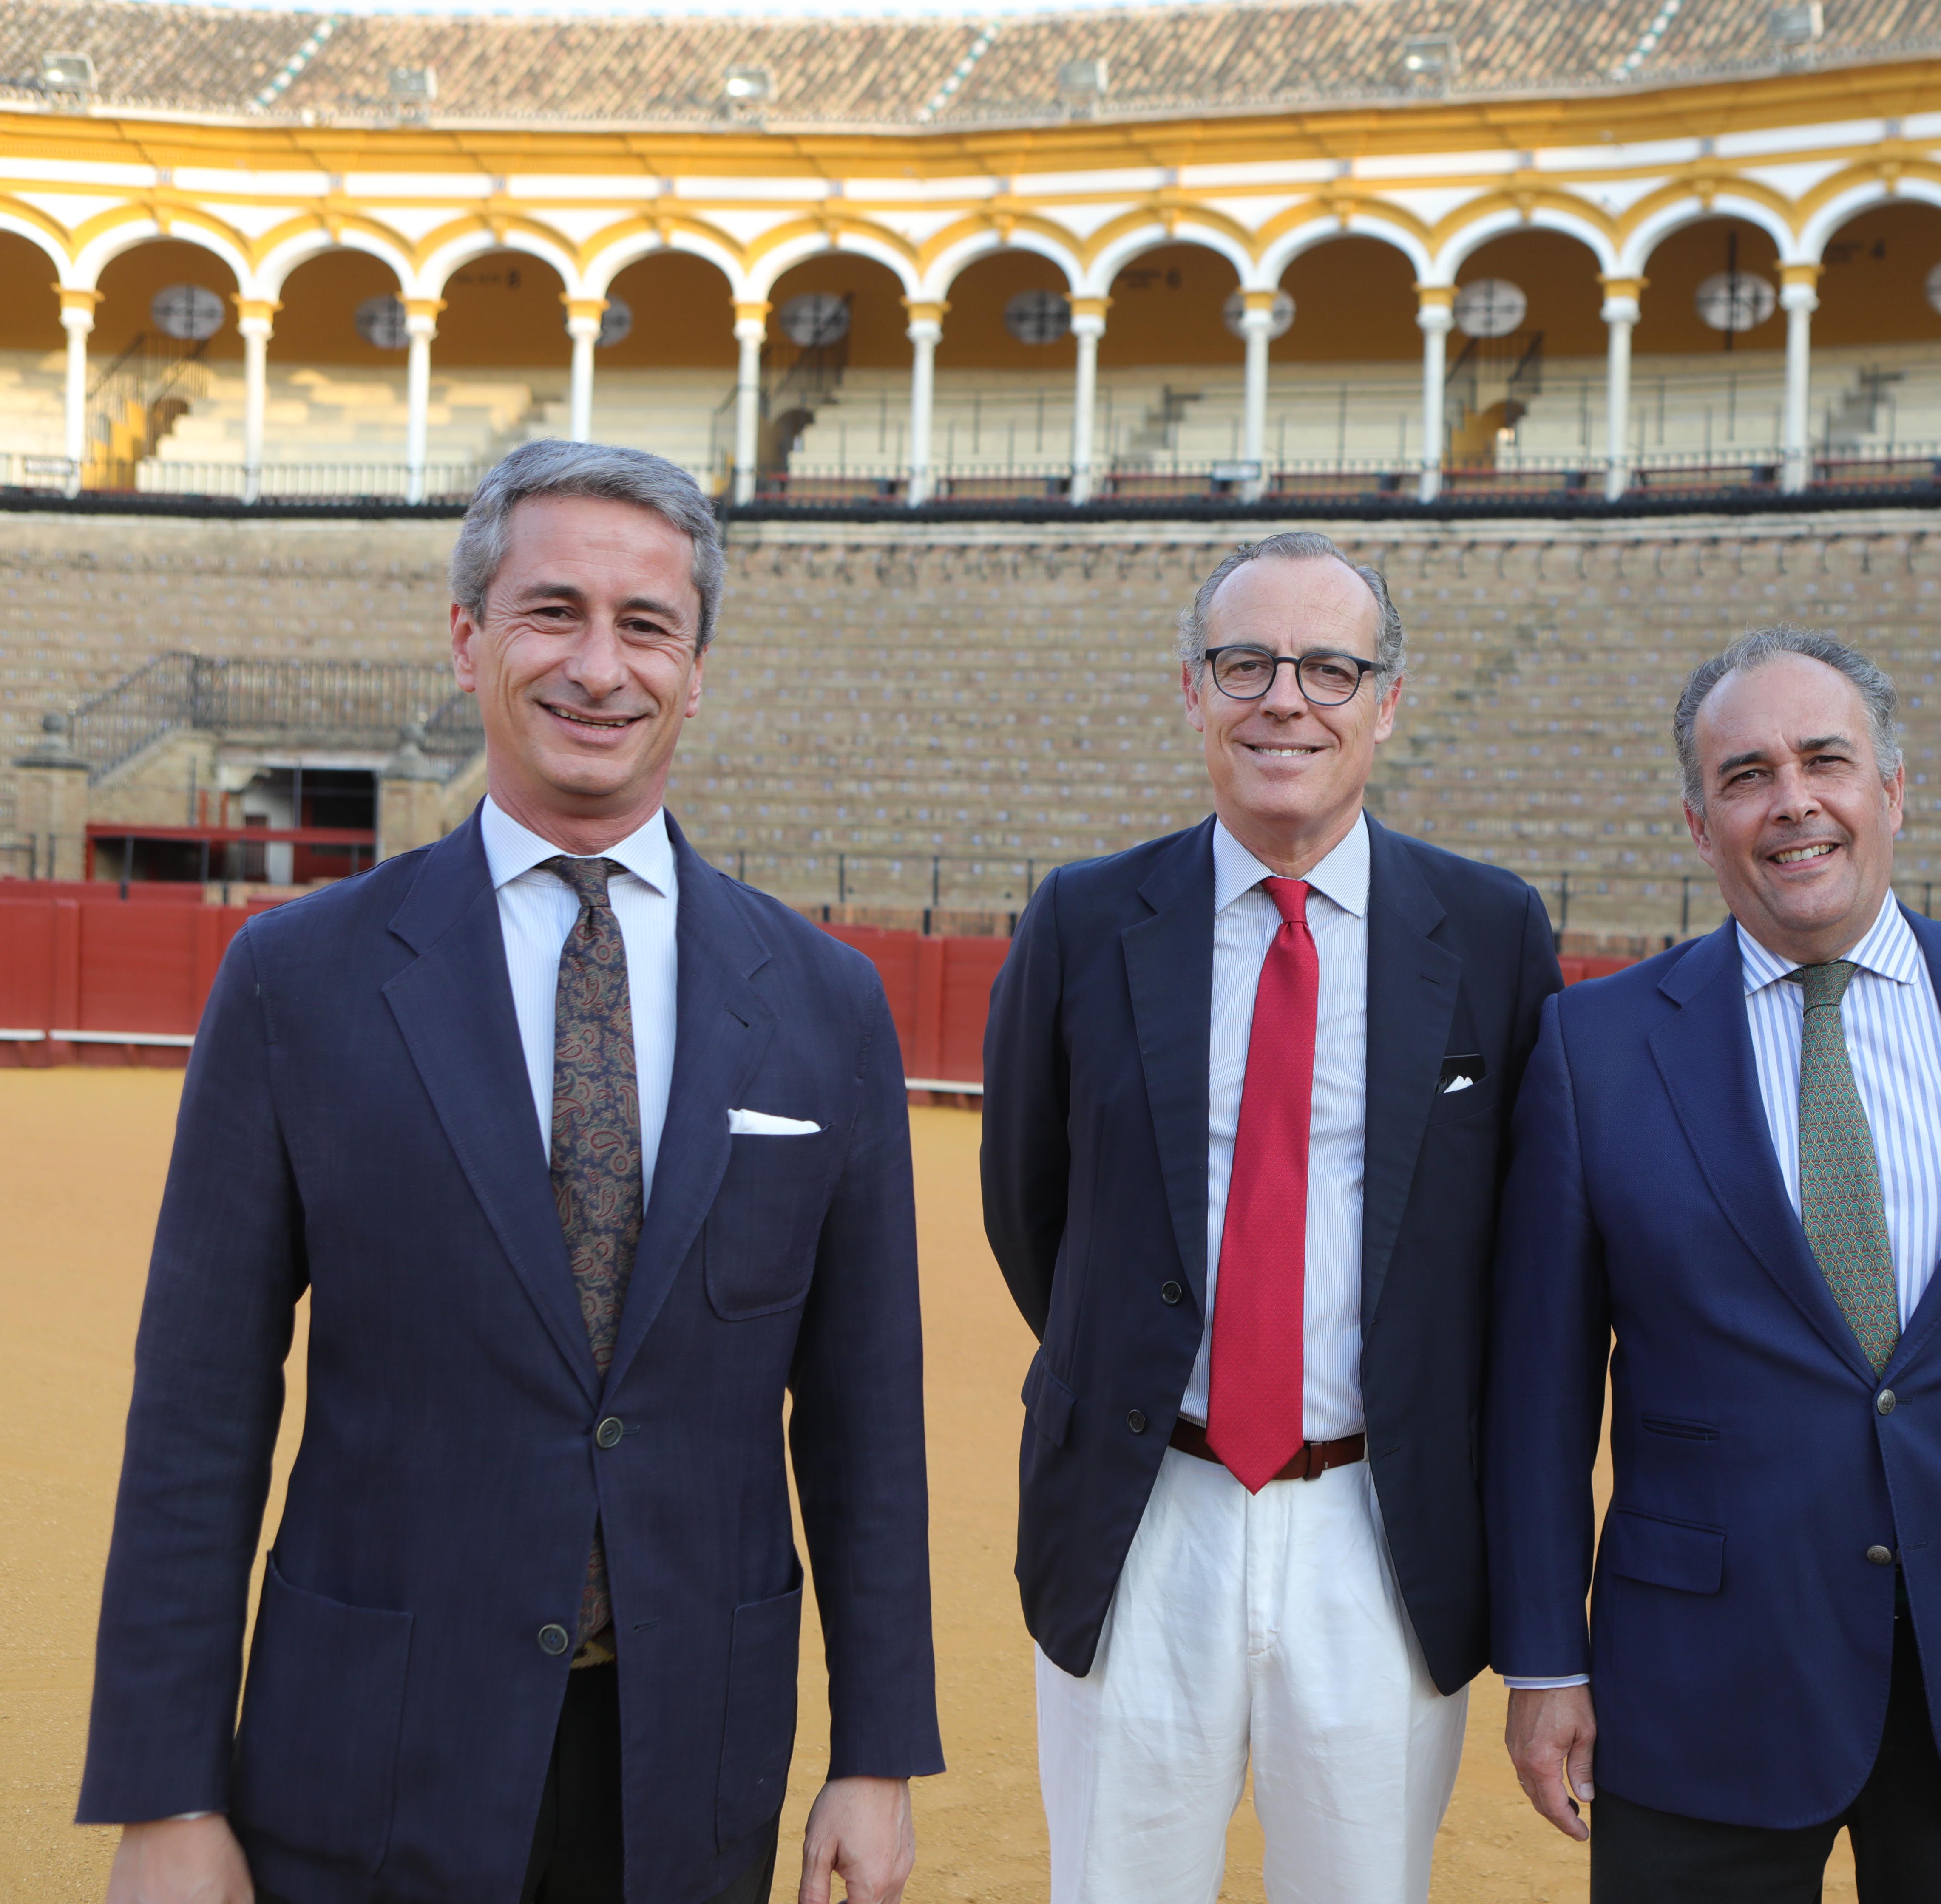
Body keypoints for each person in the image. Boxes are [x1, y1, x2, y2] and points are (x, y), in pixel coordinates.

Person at [80, 441, 943, 1904]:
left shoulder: (821, 997)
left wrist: (877, 1750)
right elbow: (198, 1408)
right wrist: (165, 1790)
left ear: (698, 664)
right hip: (368, 1744)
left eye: (646, 625)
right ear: (469, 634)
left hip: (691, 1754)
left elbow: (865, 1419)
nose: (600, 667)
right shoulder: (298, 979)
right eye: (554, 612)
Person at [1484, 626, 1941, 1903]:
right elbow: (1541, 1392)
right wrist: (1546, 1661)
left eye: (1827, 760)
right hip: (1701, 1677)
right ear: (1697, 821)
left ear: (1892, 789)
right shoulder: (1592, 1047)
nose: (1794, 802)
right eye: (1746, 775)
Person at [981, 530, 1562, 1904]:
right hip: (1144, 1507)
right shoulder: (1081, 919)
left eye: (1328, 667)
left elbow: (1522, 1246)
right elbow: (1031, 1209)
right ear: (1194, 692)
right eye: (1246, 665)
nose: (1284, 700)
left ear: (1387, 701)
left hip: (1383, 1518)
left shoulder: (1491, 932)